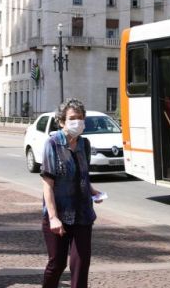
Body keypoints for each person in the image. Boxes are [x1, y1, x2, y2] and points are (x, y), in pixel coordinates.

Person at [41, 98, 104, 288]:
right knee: (57, 264)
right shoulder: (52, 144)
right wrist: (53, 217)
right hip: (59, 214)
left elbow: (81, 174)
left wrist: (92, 191)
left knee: (81, 264)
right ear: (62, 121)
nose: (78, 122)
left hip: (83, 214)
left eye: (80, 118)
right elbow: (48, 185)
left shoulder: (85, 144)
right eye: (72, 118)